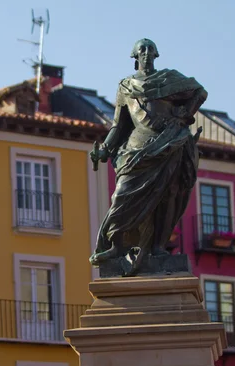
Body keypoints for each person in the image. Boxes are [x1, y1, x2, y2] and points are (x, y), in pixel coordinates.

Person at [89, 38, 207, 267]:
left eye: (150, 49)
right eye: (142, 49)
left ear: (156, 54)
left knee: (167, 194)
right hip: (137, 147)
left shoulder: (169, 79)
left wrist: (184, 114)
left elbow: (201, 92)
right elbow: (119, 125)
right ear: (134, 56)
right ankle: (116, 246)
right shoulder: (126, 86)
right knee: (121, 195)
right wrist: (104, 150)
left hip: (170, 142)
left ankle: (158, 247)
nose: (146, 53)